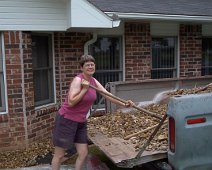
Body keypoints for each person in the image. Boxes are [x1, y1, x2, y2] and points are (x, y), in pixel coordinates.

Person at [51, 54, 134, 170]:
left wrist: (124, 103)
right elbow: (71, 102)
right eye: (87, 65)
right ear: (81, 68)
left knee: (83, 152)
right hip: (67, 120)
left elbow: (107, 94)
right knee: (59, 155)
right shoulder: (77, 80)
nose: (90, 66)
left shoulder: (93, 81)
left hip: (81, 122)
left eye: (92, 64)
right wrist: (84, 89)